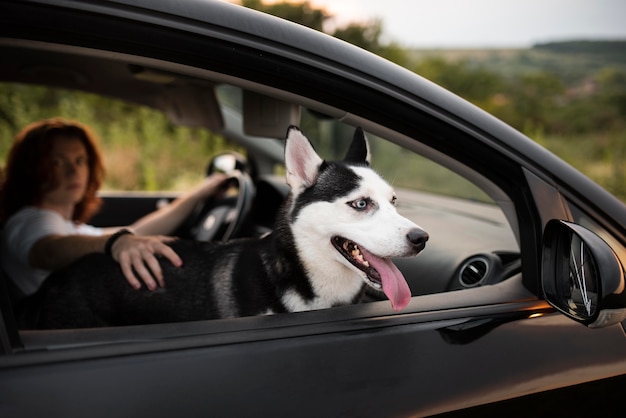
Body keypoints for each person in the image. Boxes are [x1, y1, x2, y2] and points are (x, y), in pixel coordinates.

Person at [0, 118, 228, 298]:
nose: (74, 171)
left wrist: (199, 193)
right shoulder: (31, 221)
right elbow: (47, 251)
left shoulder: (64, 225)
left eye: (81, 160)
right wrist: (115, 243)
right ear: (30, 169)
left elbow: (137, 232)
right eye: (57, 162)